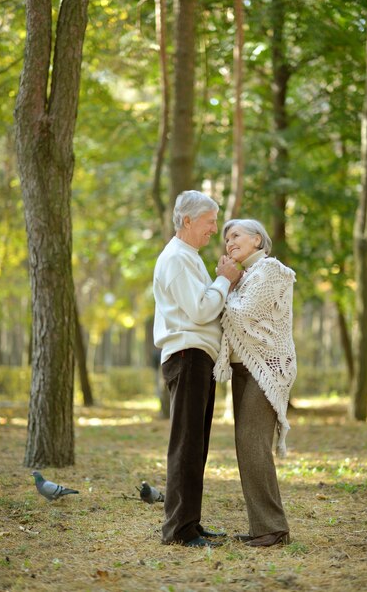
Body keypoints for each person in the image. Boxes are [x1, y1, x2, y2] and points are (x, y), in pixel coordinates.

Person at [153, 190, 241, 548]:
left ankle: (189, 521)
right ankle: (179, 530)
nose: (214, 230)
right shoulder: (176, 258)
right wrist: (225, 280)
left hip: (198, 357)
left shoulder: (189, 256)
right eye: (209, 222)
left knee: (196, 445)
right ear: (187, 221)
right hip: (187, 355)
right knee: (187, 445)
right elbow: (201, 310)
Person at [214, 218, 296, 548]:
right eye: (225, 238)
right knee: (246, 445)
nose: (228, 242)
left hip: (268, 368)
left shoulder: (270, 270)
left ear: (257, 240)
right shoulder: (244, 275)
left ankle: (273, 529)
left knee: (252, 442)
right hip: (244, 367)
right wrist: (228, 283)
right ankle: (265, 526)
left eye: (235, 236)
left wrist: (223, 283)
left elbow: (241, 314)